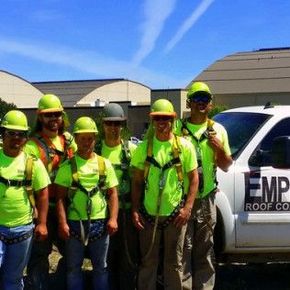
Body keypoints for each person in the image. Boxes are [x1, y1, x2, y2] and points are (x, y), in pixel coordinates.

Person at [131, 99, 198, 290]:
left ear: (173, 120)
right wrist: (135, 210)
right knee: (148, 262)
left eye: (166, 118)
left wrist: (187, 208)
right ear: (152, 121)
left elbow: (194, 179)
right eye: (158, 118)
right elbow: (136, 181)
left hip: (175, 215)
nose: (162, 122)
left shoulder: (184, 147)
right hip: (148, 215)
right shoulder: (144, 148)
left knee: (174, 263)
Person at [175, 82, 232, 290]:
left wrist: (218, 149)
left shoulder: (218, 130)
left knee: (205, 249)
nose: (201, 103)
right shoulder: (177, 129)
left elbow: (226, 165)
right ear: (189, 102)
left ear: (211, 103)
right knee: (183, 248)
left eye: (205, 99)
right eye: (197, 98)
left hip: (207, 198)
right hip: (182, 199)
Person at [55, 116, 119, 290]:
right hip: (75, 223)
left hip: (100, 222)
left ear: (95, 139)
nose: (86, 142)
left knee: (101, 267)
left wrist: (113, 219)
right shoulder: (68, 166)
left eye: (90, 138)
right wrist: (62, 223)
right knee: (74, 268)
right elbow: (60, 197)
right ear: (76, 139)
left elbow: (113, 194)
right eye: (82, 138)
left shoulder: (104, 164)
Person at [24, 94, 77, 290]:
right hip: (43, 209)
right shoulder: (31, 146)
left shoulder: (69, 141)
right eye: (49, 115)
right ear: (40, 117)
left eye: (57, 114)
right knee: (40, 254)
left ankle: (60, 284)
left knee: (72, 253)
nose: (54, 119)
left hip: (67, 207)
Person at [0, 110, 50, 290]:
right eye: (11, 133)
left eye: (21, 134)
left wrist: (42, 223)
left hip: (22, 230)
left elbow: (43, 193)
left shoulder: (32, 163)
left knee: (13, 279)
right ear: (3, 133)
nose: (16, 138)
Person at [96, 103, 139, 290]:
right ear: (103, 124)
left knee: (128, 259)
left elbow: (140, 182)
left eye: (117, 124)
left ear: (123, 125)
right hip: (101, 216)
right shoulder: (95, 150)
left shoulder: (131, 150)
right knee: (105, 259)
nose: (113, 128)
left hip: (127, 214)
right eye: (109, 123)